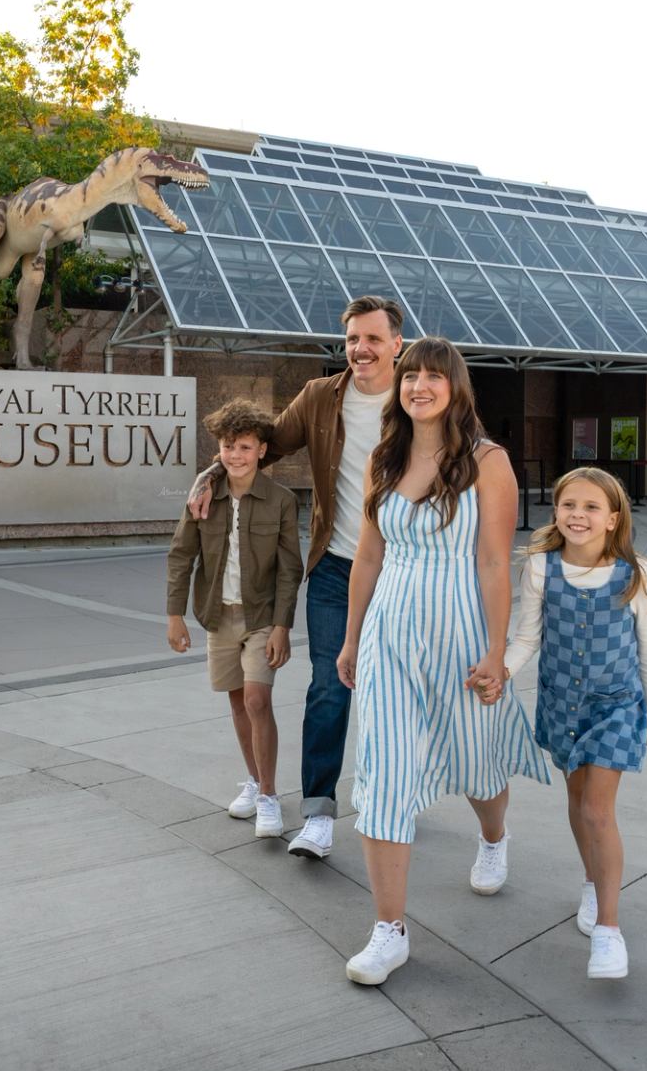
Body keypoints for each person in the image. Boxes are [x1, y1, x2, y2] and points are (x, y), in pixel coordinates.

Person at [336, 338, 545, 986]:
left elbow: (492, 562)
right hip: (390, 636)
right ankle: (389, 930)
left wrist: (496, 652)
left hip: (460, 634)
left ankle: (493, 837)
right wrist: (350, 639)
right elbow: (368, 557)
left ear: (456, 387)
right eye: (410, 376)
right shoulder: (384, 458)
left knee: (477, 762)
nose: (419, 385)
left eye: (433, 376)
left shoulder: (489, 462)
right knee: (383, 776)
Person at [190, 295, 404, 862]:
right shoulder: (319, 397)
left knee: (398, 695)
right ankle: (318, 812)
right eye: (354, 338)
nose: (361, 349)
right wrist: (212, 471)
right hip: (336, 565)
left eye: (373, 339)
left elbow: (469, 457)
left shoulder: (421, 393)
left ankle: (396, 799)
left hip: (406, 568)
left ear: (395, 344)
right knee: (329, 689)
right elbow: (263, 444)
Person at [503, 466, 647, 981]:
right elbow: (527, 637)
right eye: (570, 504)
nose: (579, 515)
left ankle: (609, 932)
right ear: (556, 511)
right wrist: (501, 670)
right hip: (561, 704)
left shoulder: (636, 573)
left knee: (598, 811)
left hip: (617, 705)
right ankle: (593, 883)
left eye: (592, 507)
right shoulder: (539, 569)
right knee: (576, 804)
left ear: (613, 519)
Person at [165, 399, 302, 839]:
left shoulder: (281, 500)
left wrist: (282, 625)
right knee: (237, 702)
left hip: (261, 615)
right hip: (217, 617)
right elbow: (181, 555)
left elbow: (289, 567)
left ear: (262, 450)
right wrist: (175, 615)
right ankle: (253, 777)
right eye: (228, 446)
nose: (236, 455)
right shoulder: (203, 495)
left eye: (244, 447)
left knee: (258, 701)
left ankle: (268, 795)